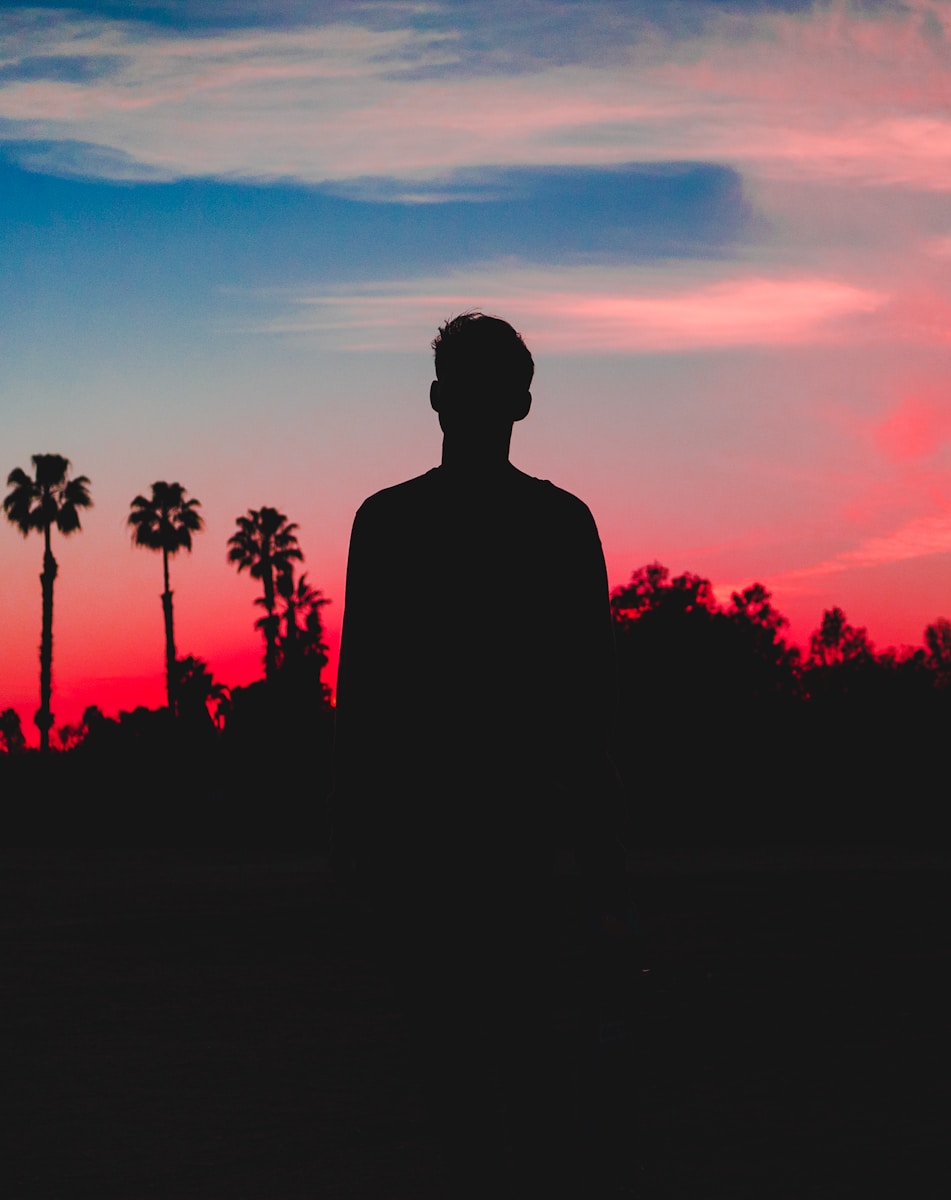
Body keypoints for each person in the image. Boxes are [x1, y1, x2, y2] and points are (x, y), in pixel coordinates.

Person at [332, 312, 627, 1197]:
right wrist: (606, 868)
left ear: (436, 400)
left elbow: (364, 704)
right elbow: (588, 708)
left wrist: (355, 853)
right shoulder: (559, 524)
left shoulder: (387, 524)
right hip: (520, 847)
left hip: (431, 850)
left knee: (456, 1086)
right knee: (533, 1087)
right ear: (523, 404)